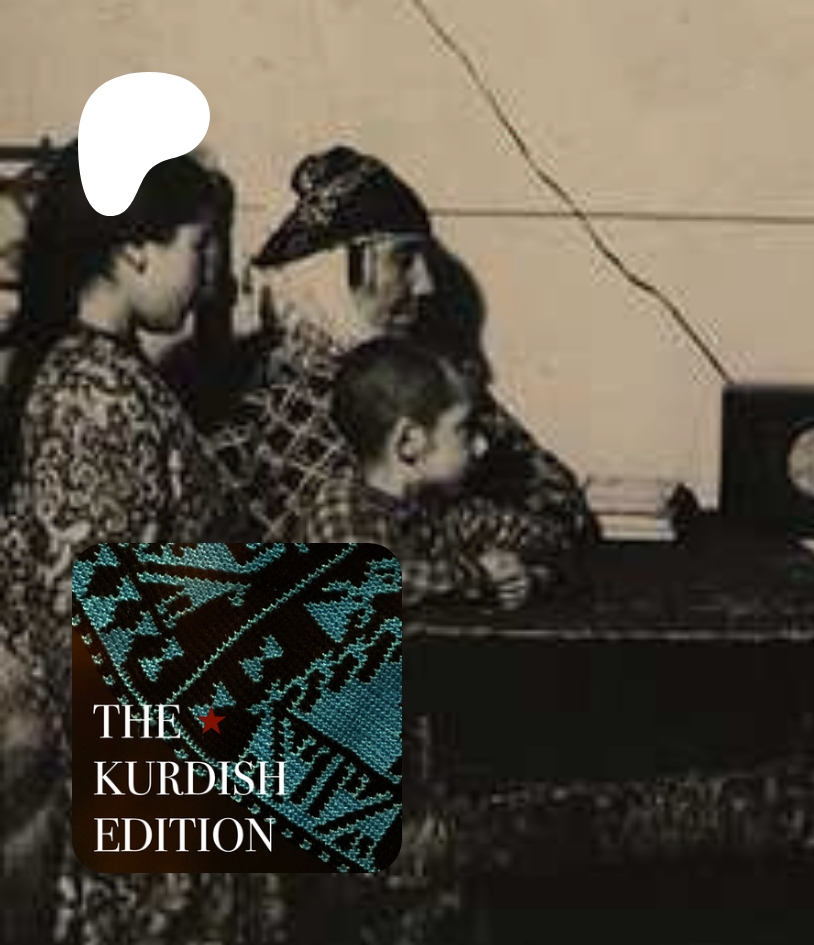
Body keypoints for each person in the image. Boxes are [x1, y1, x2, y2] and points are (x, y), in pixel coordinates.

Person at [0, 142, 279, 943]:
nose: (215, 276)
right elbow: (87, 621)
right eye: (201, 246)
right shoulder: (94, 395)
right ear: (134, 249)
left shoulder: (95, 374)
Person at [203, 145, 595, 560]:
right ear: (336, 270)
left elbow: (560, 501)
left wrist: (518, 568)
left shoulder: (428, 378)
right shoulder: (269, 404)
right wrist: (481, 563)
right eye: (404, 259)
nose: (425, 285)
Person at [298, 336, 540, 610]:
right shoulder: (339, 503)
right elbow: (363, 583)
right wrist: (478, 574)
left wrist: (520, 575)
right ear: (409, 442)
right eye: (464, 428)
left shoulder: (436, 505)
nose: (481, 445)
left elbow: (538, 536)